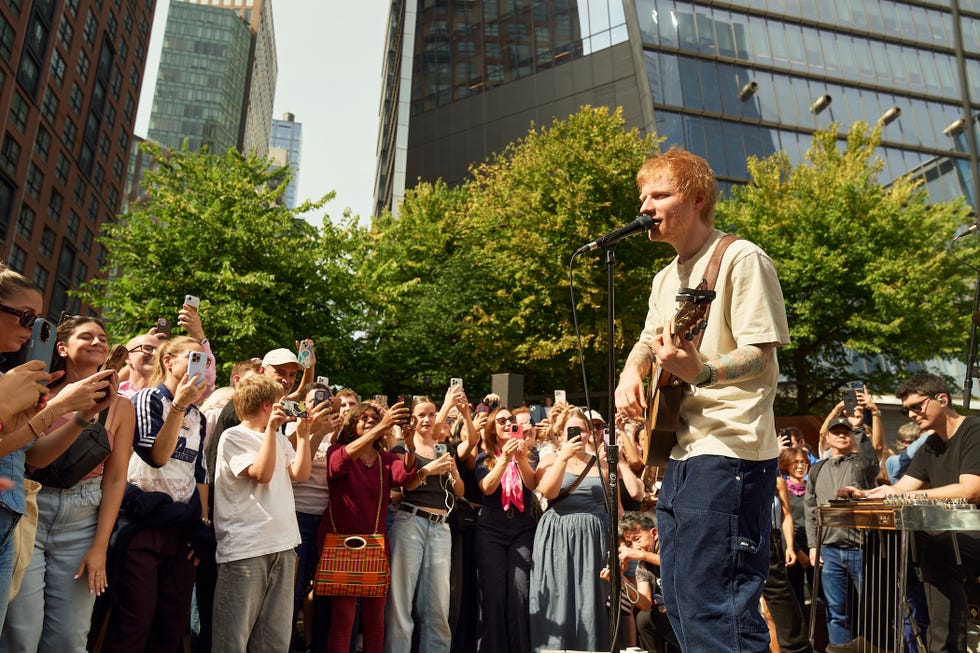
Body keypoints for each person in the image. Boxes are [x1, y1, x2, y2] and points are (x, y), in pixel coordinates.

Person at [614, 146, 790, 652]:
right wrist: (632, 372)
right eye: (642, 195)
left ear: (695, 199)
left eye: (660, 194)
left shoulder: (740, 257)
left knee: (720, 607)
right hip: (682, 455)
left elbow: (761, 350)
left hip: (732, 452)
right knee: (685, 599)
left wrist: (704, 371)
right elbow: (649, 341)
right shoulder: (665, 278)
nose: (645, 205)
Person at [1, 317, 134, 653]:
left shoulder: (120, 406)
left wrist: (100, 546)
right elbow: (32, 457)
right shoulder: (39, 393)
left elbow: (116, 478)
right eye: (86, 336)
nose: (98, 342)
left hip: (84, 519)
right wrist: (73, 411)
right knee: (20, 632)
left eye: (103, 338)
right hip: (32, 507)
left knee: (70, 638)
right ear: (61, 347)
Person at [0, 266, 111, 628]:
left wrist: (75, 416)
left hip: (13, 510)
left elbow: (22, 453)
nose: (31, 330)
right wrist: (59, 407)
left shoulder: (13, 372)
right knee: (20, 636)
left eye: (38, 321)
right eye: (26, 317)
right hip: (32, 506)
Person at [839, 373, 980, 653]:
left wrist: (904, 495)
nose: (912, 414)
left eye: (917, 406)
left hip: (972, 534)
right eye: (907, 410)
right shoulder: (930, 445)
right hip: (948, 534)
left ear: (943, 399)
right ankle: (877, 640)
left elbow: (971, 490)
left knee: (935, 548)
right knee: (882, 539)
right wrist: (865, 494)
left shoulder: (975, 430)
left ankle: (945, 648)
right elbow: (899, 487)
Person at [103, 336, 211, 653]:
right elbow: (156, 456)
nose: (201, 365)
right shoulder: (147, 399)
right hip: (142, 522)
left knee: (170, 626)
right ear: (168, 361)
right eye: (193, 358)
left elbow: (200, 472)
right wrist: (178, 406)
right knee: (135, 622)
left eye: (204, 360)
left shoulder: (199, 416)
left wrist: (199, 528)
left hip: (181, 529)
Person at [211, 375, 323, 652]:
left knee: (274, 638)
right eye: (282, 403)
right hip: (246, 549)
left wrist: (305, 436)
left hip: (283, 545)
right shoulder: (233, 435)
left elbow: (301, 473)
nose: (287, 408)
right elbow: (261, 474)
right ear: (266, 405)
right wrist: (272, 432)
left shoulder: (279, 438)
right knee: (232, 638)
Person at [529, 407, 643, 651]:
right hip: (558, 537)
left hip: (596, 536)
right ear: (560, 433)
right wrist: (563, 456)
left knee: (592, 600)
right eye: (571, 431)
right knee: (558, 598)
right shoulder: (549, 459)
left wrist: (619, 544)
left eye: (582, 430)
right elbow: (547, 492)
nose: (578, 435)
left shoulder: (602, 463)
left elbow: (621, 506)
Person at [323, 401, 417, 653]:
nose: (370, 421)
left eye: (375, 418)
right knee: (343, 621)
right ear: (351, 426)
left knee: (375, 621)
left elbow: (406, 478)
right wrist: (384, 426)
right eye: (363, 418)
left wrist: (409, 443)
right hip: (342, 546)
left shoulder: (385, 458)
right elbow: (336, 466)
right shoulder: (337, 449)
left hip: (375, 547)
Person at [384, 395, 464, 653]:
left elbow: (460, 492)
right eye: (421, 415)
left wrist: (451, 471)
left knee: (438, 605)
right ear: (412, 420)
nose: (428, 419)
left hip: (441, 526)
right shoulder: (401, 449)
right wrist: (429, 470)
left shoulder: (446, 448)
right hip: (410, 521)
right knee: (401, 602)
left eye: (432, 414)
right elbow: (402, 486)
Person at [804, 409, 881, 648]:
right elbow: (809, 509)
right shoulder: (816, 469)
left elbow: (872, 462)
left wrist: (858, 427)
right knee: (836, 611)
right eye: (835, 432)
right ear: (827, 437)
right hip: (829, 550)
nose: (840, 436)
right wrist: (813, 545)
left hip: (862, 548)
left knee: (872, 609)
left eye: (845, 432)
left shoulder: (861, 464)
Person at [474, 407, 537, 653]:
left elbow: (532, 484)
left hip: (522, 527)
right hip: (491, 528)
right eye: (501, 420)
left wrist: (519, 457)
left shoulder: (529, 455)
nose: (507, 423)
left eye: (511, 419)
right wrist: (503, 459)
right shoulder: (483, 458)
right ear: (492, 429)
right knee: (494, 594)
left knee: (520, 592)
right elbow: (487, 488)